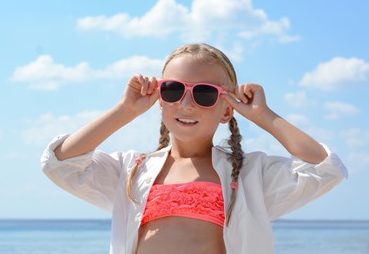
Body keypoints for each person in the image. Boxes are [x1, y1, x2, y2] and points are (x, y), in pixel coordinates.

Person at [41, 43, 347, 254]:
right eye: (173, 90)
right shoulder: (131, 169)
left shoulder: (251, 174)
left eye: (204, 93)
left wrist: (263, 116)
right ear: (160, 99)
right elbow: (61, 163)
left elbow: (325, 169)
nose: (186, 103)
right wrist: (125, 110)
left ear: (228, 110)